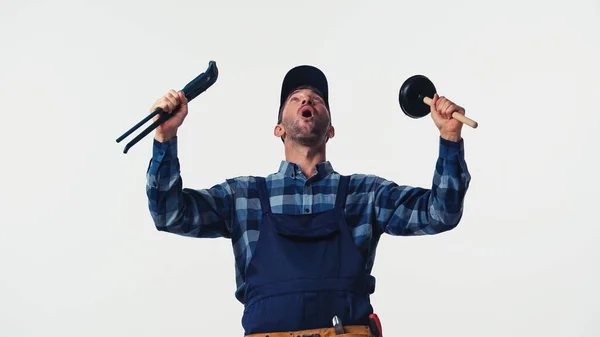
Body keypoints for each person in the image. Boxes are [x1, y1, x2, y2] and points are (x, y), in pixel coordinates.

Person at [145, 65, 471, 337]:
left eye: (316, 99)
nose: (307, 100)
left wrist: (450, 137)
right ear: (278, 129)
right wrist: (165, 137)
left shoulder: (366, 195)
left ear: (330, 129)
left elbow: (439, 214)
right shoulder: (241, 197)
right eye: (296, 98)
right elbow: (170, 215)